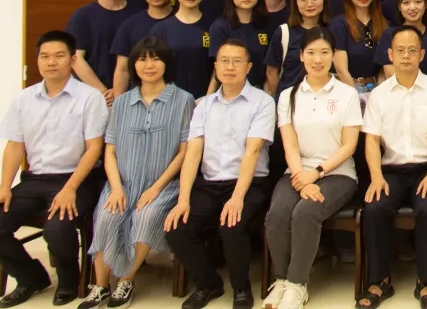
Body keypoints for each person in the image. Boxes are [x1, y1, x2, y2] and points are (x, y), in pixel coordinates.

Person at [0, 31, 109, 308]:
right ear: (38, 60)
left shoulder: (89, 98)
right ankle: (32, 278)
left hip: (77, 179)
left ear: (73, 60)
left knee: (57, 227)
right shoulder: (24, 98)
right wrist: (4, 188)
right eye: (45, 56)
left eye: (59, 56)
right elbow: (14, 146)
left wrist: (69, 189)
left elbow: (94, 149)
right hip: (34, 180)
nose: (51, 62)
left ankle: (68, 282)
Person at [80, 37, 194, 309]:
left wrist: (156, 188)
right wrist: (116, 187)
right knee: (106, 217)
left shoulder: (183, 100)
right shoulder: (121, 102)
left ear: (166, 64)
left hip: (163, 185)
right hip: (123, 182)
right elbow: (109, 151)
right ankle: (100, 286)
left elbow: (184, 152)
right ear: (133, 65)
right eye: (142, 59)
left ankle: (126, 280)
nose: (149, 65)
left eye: (156, 59)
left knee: (146, 216)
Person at [164, 40, 275, 309]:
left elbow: (252, 151)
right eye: (224, 61)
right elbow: (193, 152)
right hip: (209, 182)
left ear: (248, 67)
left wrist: (237, 197)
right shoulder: (203, 105)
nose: (230, 67)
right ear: (215, 66)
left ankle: (241, 289)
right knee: (176, 228)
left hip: (249, 183)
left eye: (237, 61)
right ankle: (208, 284)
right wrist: (183, 199)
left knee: (232, 225)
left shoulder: (262, 102)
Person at [263, 26, 363, 309]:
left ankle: (297, 284)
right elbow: (290, 144)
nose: (317, 59)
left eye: (324, 52)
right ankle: (281, 280)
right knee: (277, 214)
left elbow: (348, 146)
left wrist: (315, 174)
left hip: (337, 173)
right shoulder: (288, 95)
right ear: (301, 56)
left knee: (306, 212)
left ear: (333, 56)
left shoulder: (347, 94)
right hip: (296, 171)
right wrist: (301, 176)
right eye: (311, 53)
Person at [357, 26, 427, 309]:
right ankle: (380, 280)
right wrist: (376, 177)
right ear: (390, 54)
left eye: (412, 50)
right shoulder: (379, 94)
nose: (406, 56)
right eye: (400, 50)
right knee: (374, 208)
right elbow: (371, 140)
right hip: (391, 171)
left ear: (422, 54)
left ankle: (426, 282)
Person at [68, 0, 133, 103]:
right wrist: (102, 92)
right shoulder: (83, 16)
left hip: (131, 95)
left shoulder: (137, 15)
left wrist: (118, 91)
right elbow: (76, 59)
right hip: (91, 95)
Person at [149, 0, 215, 101]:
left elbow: (219, 65)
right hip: (168, 101)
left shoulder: (214, 26)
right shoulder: (161, 29)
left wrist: (208, 99)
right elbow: (153, 68)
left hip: (205, 102)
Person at [264, 0, 331, 100]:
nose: (309, 4)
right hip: (290, 101)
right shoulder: (284, 32)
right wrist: (281, 100)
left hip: (324, 101)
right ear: (295, 2)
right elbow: (271, 72)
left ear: (324, 0)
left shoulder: (331, 31)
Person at [110, 0, 175, 89]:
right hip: (138, 95)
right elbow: (122, 69)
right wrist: (118, 99)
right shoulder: (129, 25)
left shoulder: (181, 21)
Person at [332, 0, 389, 99]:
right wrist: (356, 99)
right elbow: (341, 71)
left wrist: (379, 94)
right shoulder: (339, 25)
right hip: (348, 90)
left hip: (378, 90)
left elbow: (384, 67)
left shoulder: (384, 24)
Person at [208, 0, 269, 89]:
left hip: (259, 91)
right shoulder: (220, 26)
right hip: (228, 90)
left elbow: (269, 68)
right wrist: (210, 95)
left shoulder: (265, 24)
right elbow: (217, 68)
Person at [374, 0, 427, 79]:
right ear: (399, 6)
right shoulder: (389, 35)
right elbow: (389, 72)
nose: (412, 8)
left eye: (418, 1)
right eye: (406, 3)